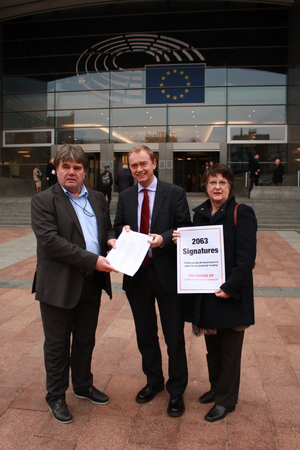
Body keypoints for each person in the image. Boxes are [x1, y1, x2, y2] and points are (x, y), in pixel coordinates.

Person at [31, 144, 117, 424]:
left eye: (77, 167)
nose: (71, 172)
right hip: (58, 286)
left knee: (84, 341)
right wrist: (93, 260)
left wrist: (112, 239)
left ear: (84, 171)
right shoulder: (43, 201)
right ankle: (55, 396)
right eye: (65, 167)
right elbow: (52, 243)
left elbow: (107, 228)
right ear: (56, 169)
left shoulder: (97, 198)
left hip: (91, 284)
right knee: (57, 345)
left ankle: (83, 386)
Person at [173, 163, 257, 423]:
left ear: (230, 186)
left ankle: (226, 400)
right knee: (213, 348)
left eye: (222, 182)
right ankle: (216, 387)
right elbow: (196, 250)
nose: (217, 187)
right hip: (207, 294)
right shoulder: (199, 214)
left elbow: (246, 258)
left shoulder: (241, 212)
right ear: (205, 187)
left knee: (230, 350)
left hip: (231, 294)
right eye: (212, 183)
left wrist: (231, 287)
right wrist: (181, 240)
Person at [114, 145, 191, 417]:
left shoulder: (175, 193)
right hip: (137, 276)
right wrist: (118, 233)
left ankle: (177, 390)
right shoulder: (124, 196)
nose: (139, 169)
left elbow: (184, 228)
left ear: (154, 163)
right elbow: (116, 227)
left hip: (167, 276)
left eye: (143, 163)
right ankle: (154, 381)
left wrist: (165, 238)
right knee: (145, 335)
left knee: (174, 337)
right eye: (134, 165)